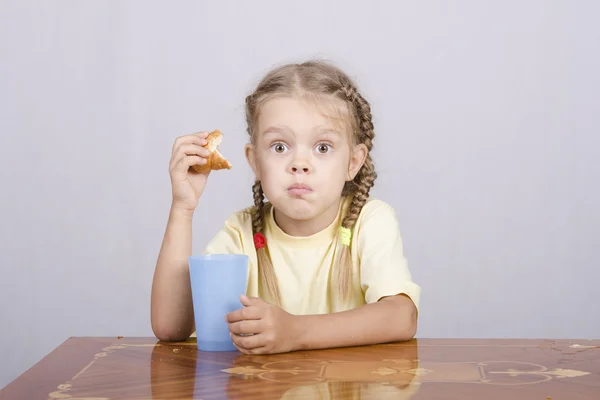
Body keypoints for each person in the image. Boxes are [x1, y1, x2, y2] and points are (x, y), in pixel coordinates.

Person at [151, 60, 421, 355]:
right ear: (254, 161)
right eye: (279, 147)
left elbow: (401, 316)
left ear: (353, 162)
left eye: (323, 147)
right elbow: (170, 327)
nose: (299, 164)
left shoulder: (369, 222)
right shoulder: (242, 234)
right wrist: (183, 208)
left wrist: (295, 331)